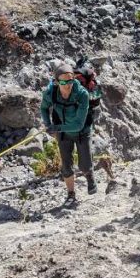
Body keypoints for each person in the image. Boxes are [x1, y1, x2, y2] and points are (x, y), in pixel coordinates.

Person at [40, 62, 95, 205]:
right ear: (57, 81)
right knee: (66, 165)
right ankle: (71, 194)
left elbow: (78, 125)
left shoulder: (82, 94)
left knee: (84, 164)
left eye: (70, 80)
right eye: (63, 81)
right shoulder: (50, 92)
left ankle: (89, 176)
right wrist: (47, 124)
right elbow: (44, 108)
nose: (68, 84)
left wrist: (56, 128)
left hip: (82, 130)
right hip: (63, 132)